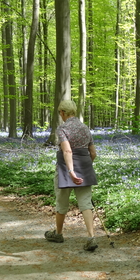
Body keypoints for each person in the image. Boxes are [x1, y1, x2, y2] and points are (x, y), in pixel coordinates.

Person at [44, 99, 99, 251]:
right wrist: (86, 167)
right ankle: (91, 237)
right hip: (85, 168)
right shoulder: (85, 128)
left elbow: (67, 151)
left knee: (61, 202)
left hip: (65, 170)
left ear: (63, 112)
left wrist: (71, 171)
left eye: (60, 113)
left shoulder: (63, 129)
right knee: (86, 203)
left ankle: (59, 234)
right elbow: (93, 152)